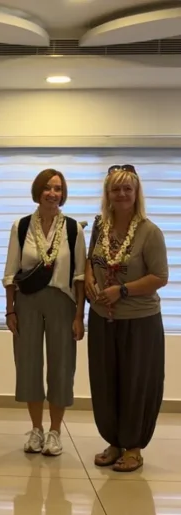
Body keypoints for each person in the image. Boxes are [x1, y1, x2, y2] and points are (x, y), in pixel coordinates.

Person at [86, 165, 168, 473]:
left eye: (127, 189)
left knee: (136, 383)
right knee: (106, 382)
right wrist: (91, 280)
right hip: (101, 319)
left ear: (136, 194)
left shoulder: (150, 231)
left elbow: (160, 276)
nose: (121, 194)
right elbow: (91, 260)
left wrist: (122, 290)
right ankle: (114, 441)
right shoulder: (100, 227)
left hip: (140, 321)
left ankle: (133, 447)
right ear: (107, 194)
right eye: (115, 189)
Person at [2, 168, 86, 456]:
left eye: (58, 188)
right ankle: (36, 430)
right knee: (28, 364)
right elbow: (11, 272)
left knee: (62, 366)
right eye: (48, 188)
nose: (53, 193)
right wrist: (9, 311)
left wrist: (79, 317)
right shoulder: (21, 226)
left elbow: (79, 276)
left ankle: (55, 432)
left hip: (63, 302)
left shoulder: (74, 228)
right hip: (27, 302)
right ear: (38, 191)